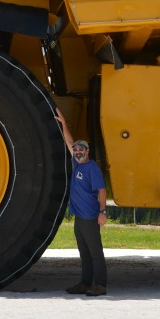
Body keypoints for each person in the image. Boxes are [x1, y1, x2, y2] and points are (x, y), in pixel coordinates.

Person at [55, 109, 107, 296]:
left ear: (87, 151)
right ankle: (85, 283)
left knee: (95, 253)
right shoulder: (78, 164)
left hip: (90, 216)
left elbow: (102, 190)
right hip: (79, 217)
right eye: (75, 150)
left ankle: (100, 285)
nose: (77, 152)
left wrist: (103, 212)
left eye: (80, 150)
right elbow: (68, 142)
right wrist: (64, 123)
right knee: (84, 253)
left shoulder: (92, 168)